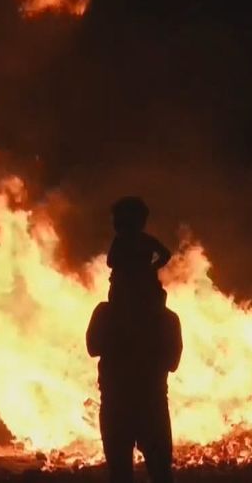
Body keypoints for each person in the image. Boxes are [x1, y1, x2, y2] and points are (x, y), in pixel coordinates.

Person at [86, 296, 183, 483]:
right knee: (160, 473)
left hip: (121, 406)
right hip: (150, 407)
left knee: (123, 474)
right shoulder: (167, 318)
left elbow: (93, 347)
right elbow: (172, 363)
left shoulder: (106, 313)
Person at [106, 196, 172, 307]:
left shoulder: (121, 240)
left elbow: (110, 261)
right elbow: (166, 254)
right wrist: (152, 267)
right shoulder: (147, 240)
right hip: (143, 291)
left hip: (126, 291)